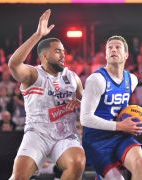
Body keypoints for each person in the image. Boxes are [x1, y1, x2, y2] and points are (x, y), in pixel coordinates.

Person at [8, 9, 85, 180]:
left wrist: (80, 101)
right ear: (44, 55)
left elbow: (87, 101)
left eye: (63, 51)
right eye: (58, 51)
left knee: (77, 163)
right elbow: (13, 64)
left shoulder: (72, 77)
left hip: (65, 135)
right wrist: (38, 35)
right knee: (18, 177)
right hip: (37, 134)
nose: (63, 55)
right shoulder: (32, 75)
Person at [80, 35, 142, 180]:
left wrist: (133, 122)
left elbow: (123, 108)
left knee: (140, 163)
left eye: (118, 47)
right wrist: (120, 125)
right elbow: (85, 119)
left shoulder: (132, 80)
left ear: (126, 54)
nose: (113, 50)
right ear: (105, 54)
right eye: (110, 48)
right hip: (96, 140)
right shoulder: (96, 79)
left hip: (120, 135)